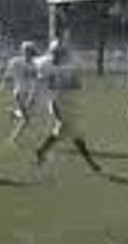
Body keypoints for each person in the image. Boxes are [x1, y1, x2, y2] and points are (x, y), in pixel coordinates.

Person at [34, 40, 101, 172]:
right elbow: (44, 82)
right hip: (57, 102)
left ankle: (41, 150)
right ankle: (91, 163)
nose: (58, 55)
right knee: (75, 133)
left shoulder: (66, 66)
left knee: (60, 131)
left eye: (60, 53)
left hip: (68, 102)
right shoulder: (47, 66)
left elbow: (77, 84)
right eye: (56, 52)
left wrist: (70, 79)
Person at [0, 41, 39, 143]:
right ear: (22, 51)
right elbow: (7, 73)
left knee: (29, 115)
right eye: (26, 50)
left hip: (28, 94)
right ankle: (12, 140)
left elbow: (34, 81)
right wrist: (3, 84)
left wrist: (32, 95)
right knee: (26, 119)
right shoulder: (15, 61)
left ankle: (14, 113)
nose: (28, 53)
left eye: (30, 51)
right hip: (19, 93)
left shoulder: (34, 65)